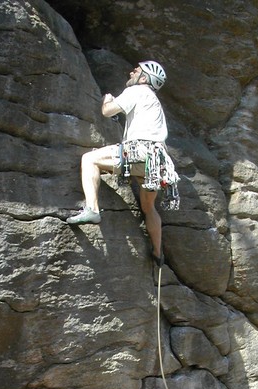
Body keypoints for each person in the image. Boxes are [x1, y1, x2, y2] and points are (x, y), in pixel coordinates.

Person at [66, 60, 178, 266]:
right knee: (148, 207)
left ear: (144, 79)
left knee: (89, 159)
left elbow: (108, 111)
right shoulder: (153, 101)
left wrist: (107, 100)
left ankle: (92, 210)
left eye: (137, 71)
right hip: (157, 162)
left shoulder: (138, 90)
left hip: (140, 151)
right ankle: (157, 251)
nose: (132, 72)